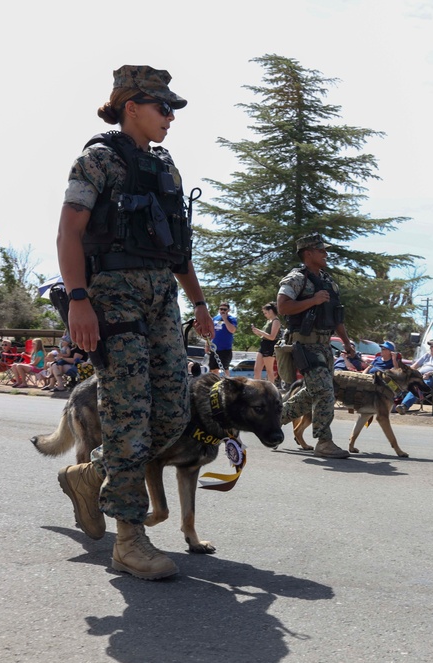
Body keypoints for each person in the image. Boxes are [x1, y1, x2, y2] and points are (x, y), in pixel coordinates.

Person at [54, 65, 214, 581]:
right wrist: (79, 299)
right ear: (131, 106)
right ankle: (128, 539)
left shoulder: (166, 167)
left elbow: (178, 249)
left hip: (161, 297)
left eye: (172, 108)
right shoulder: (98, 160)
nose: (170, 117)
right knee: (127, 412)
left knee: (171, 411)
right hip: (113, 294)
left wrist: (199, 304)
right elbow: (68, 234)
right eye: (162, 107)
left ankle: (90, 477)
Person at [277, 233, 356, 459]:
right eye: (321, 251)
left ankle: (273, 419)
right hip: (305, 346)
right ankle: (324, 441)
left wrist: (347, 344)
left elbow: (337, 318)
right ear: (308, 253)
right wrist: (312, 300)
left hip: (325, 347)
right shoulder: (296, 278)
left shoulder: (328, 282)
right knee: (324, 391)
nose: (325, 254)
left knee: (313, 392)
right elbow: (282, 307)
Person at [397, 339, 433, 414]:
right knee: (403, 382)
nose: (430, 348)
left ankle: (404, 406)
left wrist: (430, 373)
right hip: (420, 377)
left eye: (432, 346)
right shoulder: (427, 355)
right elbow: (414, 366)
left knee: (416, 387)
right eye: (430, 347)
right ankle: (394, 404)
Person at [251, 302, 280, 383]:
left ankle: (271, 390)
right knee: (257, 369)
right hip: (263, 344)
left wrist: (260, 331)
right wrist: (257, 332)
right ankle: (256, 389)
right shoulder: (269, 321)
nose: (265, 315)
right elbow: (265, 335)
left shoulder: (276, 321)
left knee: (269, 370)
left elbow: (272, 336)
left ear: (271, 311)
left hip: (270, 346)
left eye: (265, 313)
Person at [208, 302, 237, 376]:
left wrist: (225, 319)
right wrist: (207, 344)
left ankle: (227, 384)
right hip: (214, 348)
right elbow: (210, 332)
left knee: (225, 369)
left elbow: (232, 330)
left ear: (228, 310)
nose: (222, 311)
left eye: (225, 309)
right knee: (213, 369)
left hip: (225, 349)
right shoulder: (215, 318)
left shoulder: (232, 319)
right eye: (221, 309)